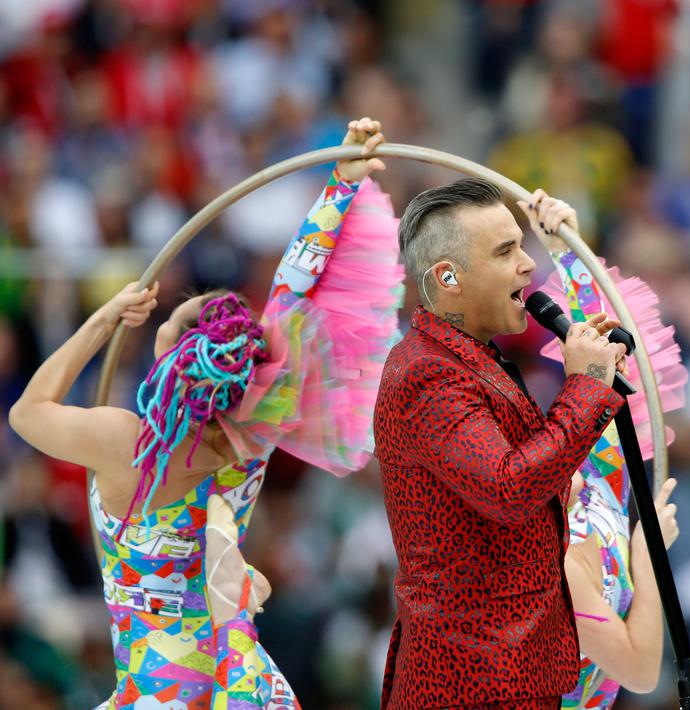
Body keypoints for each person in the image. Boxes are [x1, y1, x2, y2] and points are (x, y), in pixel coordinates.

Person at [8, 117, 404, 708]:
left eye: (169, 320)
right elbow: (291, 292)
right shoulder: (253, 436)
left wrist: (104, 319)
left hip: (156, 694)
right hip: (241, 683)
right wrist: (340, 185)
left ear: (173, 363)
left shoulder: (125, 442)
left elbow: (27, 412)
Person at [375, 180, 629, 709]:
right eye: (504, 251)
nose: (528, 266)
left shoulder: (470, 359)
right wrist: (583, 390)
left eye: (521, 245)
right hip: (469, 681)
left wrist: (594, 386)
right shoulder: (426, 375)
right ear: (448, 278)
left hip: (508, 673)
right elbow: (509, 488)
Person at [527, 190, 689, 707]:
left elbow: (613, 354)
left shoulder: (594, 484)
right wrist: (646, 558)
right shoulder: (553, 560)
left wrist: (567, 252)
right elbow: (641, 672)